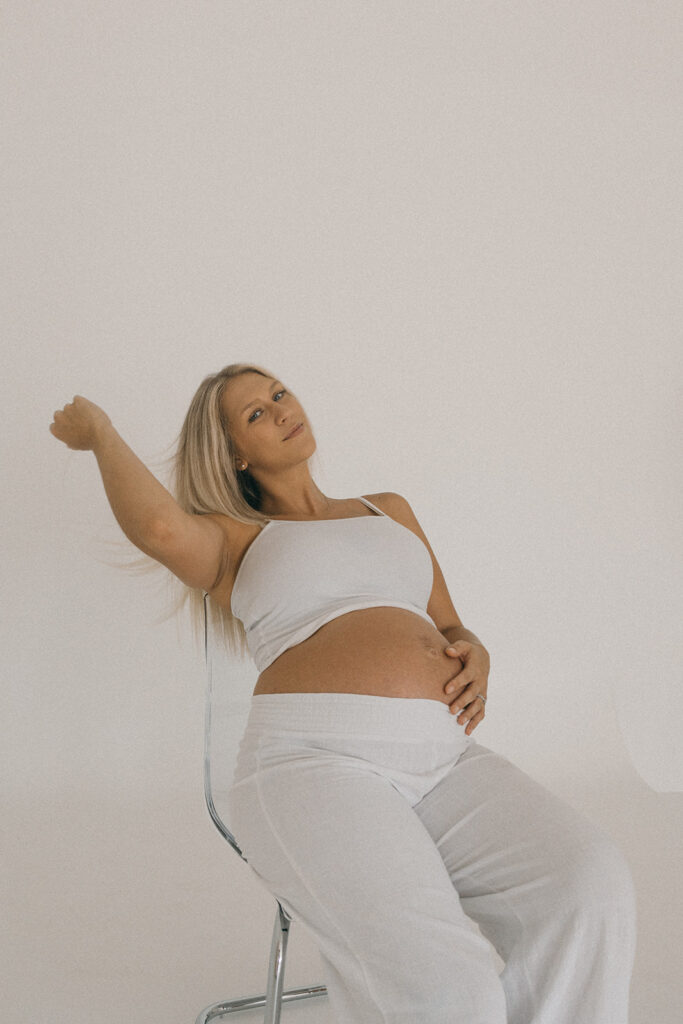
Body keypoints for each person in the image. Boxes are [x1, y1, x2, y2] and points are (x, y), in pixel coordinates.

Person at [50, 362, 637, 1024]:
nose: (278, 409)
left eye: (277, 393)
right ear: (234, 454)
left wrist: (477, 652)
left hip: (445, 762)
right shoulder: (235, 538)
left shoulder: (387, 511)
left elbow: (447, 623)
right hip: (313, 765)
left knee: (587, 885)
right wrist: (99, 433)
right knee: (452, 988)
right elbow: (159, 530)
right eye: (253, 414)